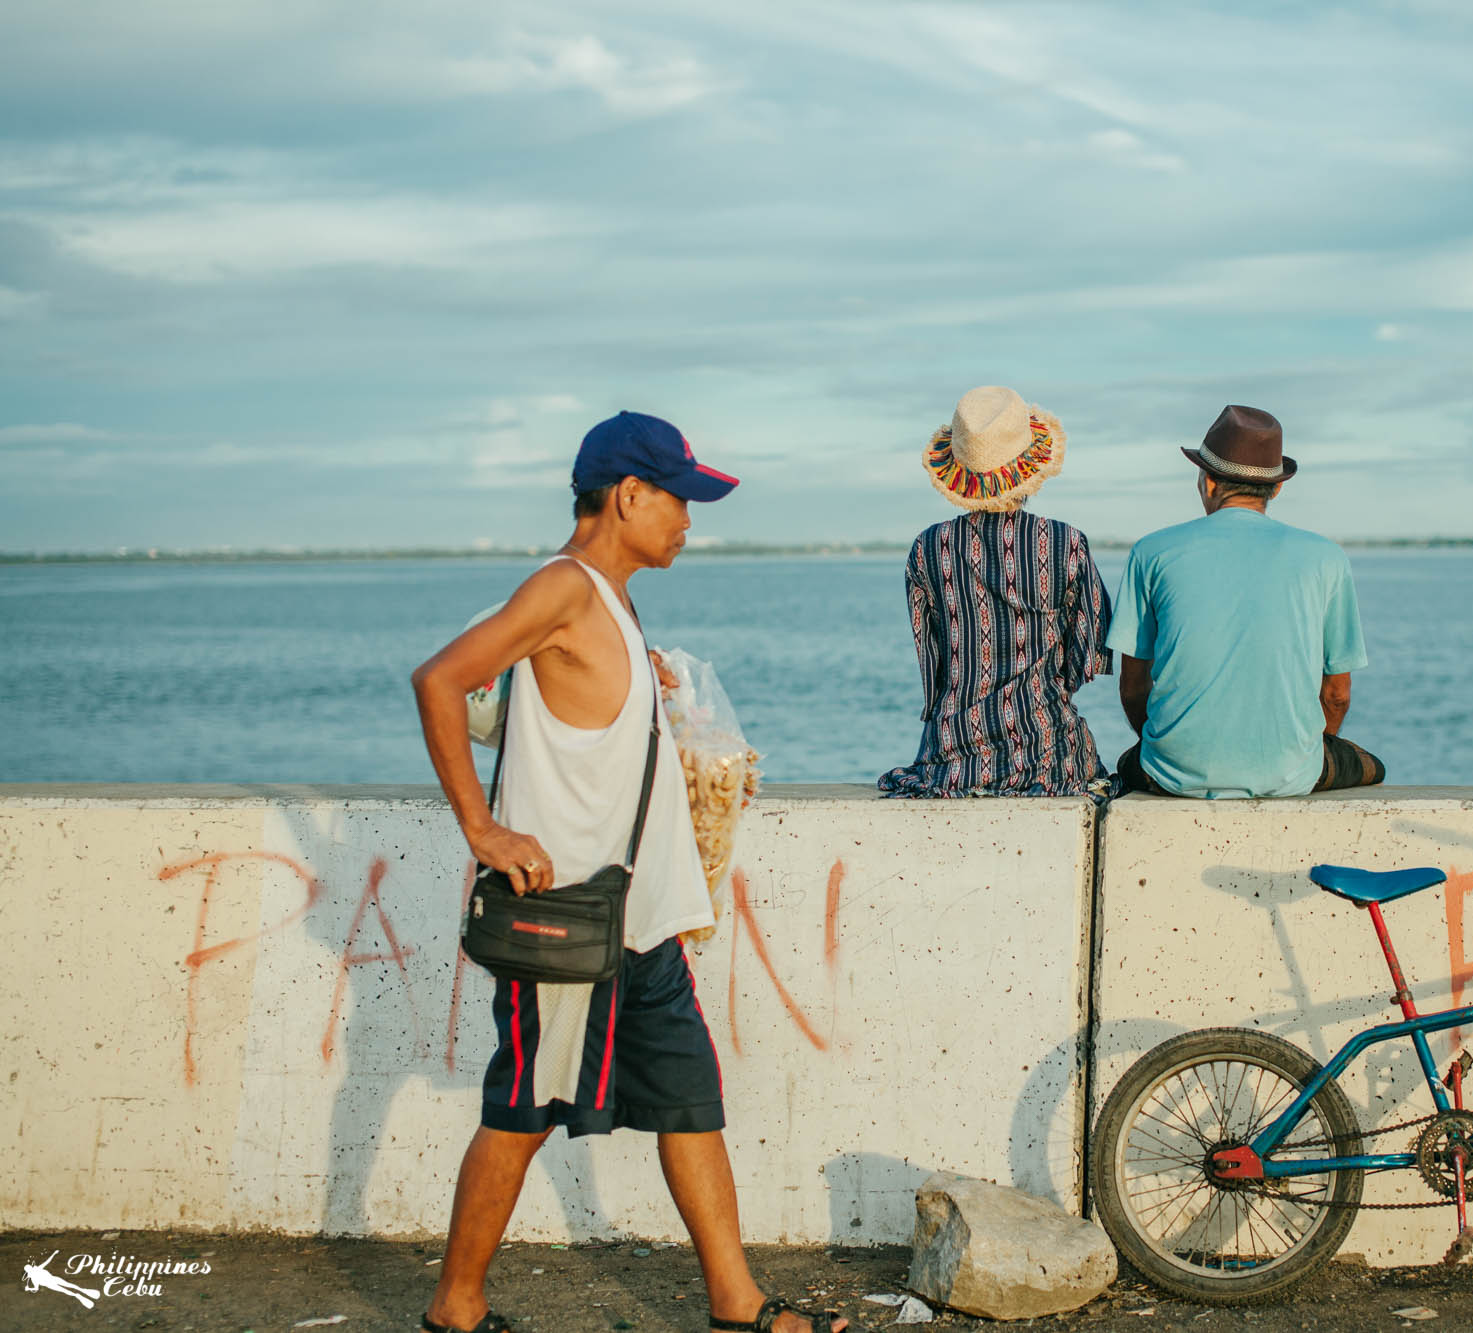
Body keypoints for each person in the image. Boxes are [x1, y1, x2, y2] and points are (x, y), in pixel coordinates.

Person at [411, 411, 844, 1333]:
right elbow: (441, 678)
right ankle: (455, 1306)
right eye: (680, 499)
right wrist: (482, 829)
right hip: (568, 920)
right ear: (629, 495)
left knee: (692, 1105)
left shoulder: (608, 599)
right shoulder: (563, 587)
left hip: (638, 924)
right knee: (521, 1110)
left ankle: (738, 1304)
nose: (690, 519)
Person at [1107, 405, 1385, 799]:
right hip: (1291, 774)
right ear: (1277, 487)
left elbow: (1133, 686)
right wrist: (1300, 753)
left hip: (1170, 773)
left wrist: (1165, 746)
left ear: (1208, 483)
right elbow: (1337, 693)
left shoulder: (1151, 552)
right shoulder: (1326, 557)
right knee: (1371, 766)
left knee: (1125, 764)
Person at [879, 385, 1114, 797]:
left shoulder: (927, 548)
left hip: (952, 759)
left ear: (959, 473)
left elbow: (932, 666)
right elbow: (1087, 657)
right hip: (1050, 754)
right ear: (1029, 467)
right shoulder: (1066, 543)